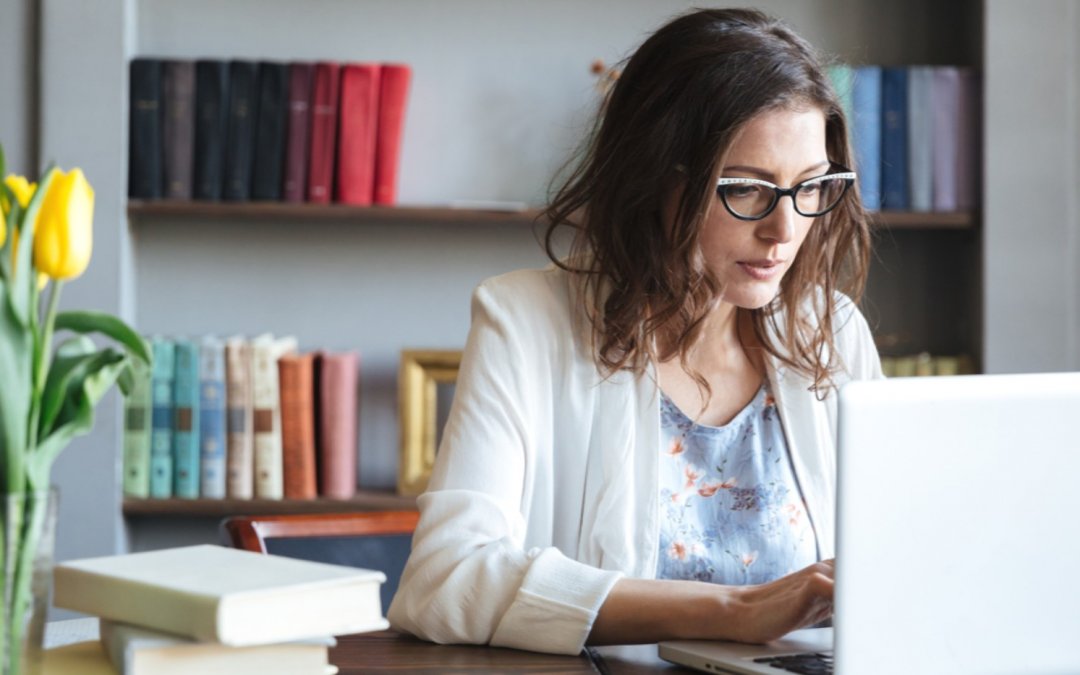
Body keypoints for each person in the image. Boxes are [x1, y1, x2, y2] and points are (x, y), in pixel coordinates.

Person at [387, 7, 882, 655]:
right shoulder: (525, 321)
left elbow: (895, 563)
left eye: (811, 188)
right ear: (656, 179)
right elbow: (445, 580)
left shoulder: (833, 331)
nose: (784, 230)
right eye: (747, 189)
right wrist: (735, 609)